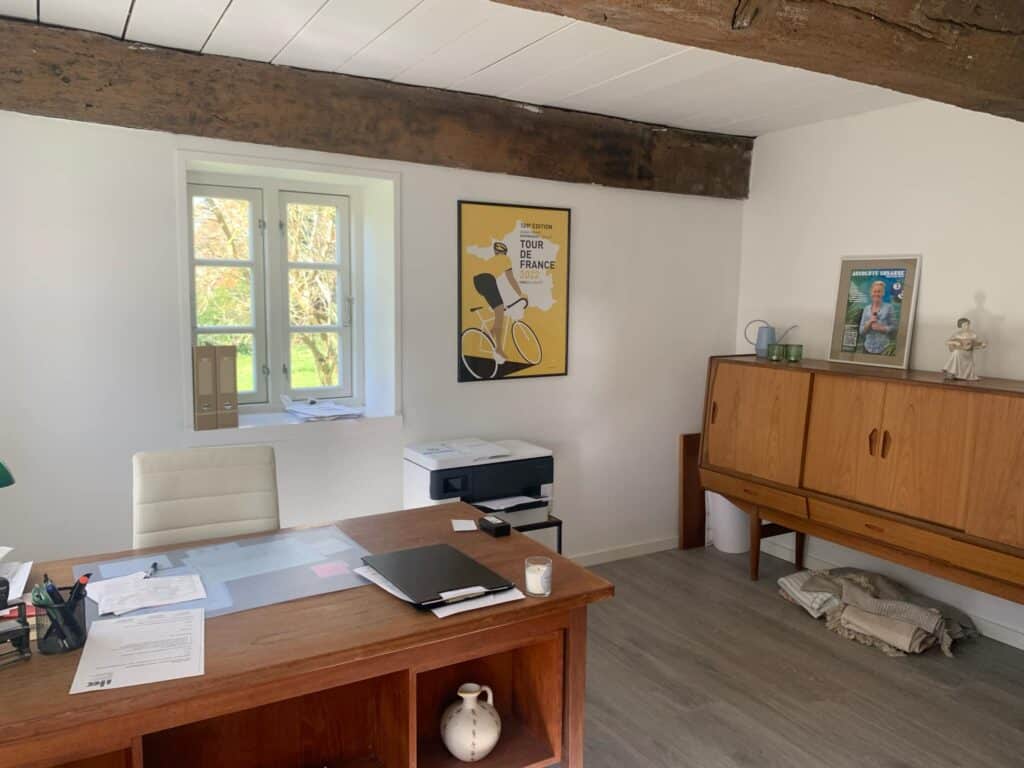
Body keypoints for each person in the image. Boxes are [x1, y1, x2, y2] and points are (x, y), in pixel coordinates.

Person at [472, 241, 525, 365]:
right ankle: (499, 348)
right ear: (505, 253)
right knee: (499, 310)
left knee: (499, 310)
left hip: (479, 281)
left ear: (496, 252)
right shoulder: (506, 259)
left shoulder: (492, 261)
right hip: (487, 279)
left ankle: (491, 332)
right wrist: (521, 294)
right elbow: (511, 279)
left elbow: (498, 286)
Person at [859, 280, 895, 354]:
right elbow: (861, 331)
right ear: (871, 293)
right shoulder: (866, 309)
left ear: (883, 293)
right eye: (874, 291)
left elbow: (894, 328)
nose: (876, 294)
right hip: (867, 349)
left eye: (879, 291)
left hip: (884, 349)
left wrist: (882, 328)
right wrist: (869, 323)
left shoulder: (889, 308)